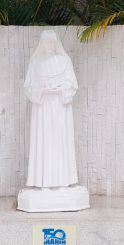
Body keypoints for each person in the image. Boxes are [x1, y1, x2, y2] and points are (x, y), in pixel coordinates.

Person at [23, 30, 79, 188]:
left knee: (61, 142)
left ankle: (63, 182)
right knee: (43, 143)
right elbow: (28, 87)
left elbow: (72, 86)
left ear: (56, 43)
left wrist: (61, 89)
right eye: (46, 41)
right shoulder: (35, 62)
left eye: (52, 42)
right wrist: (42, 90)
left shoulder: (64, 61)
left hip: (60, 107)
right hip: (42, 109)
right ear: (41, 43)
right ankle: (43, 182)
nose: (49, 44)